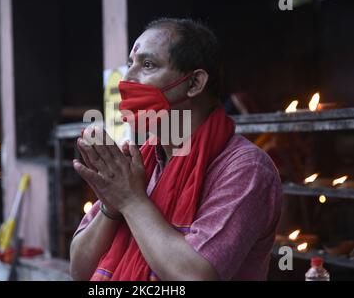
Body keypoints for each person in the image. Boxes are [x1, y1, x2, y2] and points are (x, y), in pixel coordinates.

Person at [70, 18, 282, 281]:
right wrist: (112, 207)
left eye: (147, 65)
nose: (127, 79)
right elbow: (79, 271)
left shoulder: (244, 169)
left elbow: (195, 277)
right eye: (129, 64)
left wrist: (131, 201)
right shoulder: (139, 162)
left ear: (194, 84)